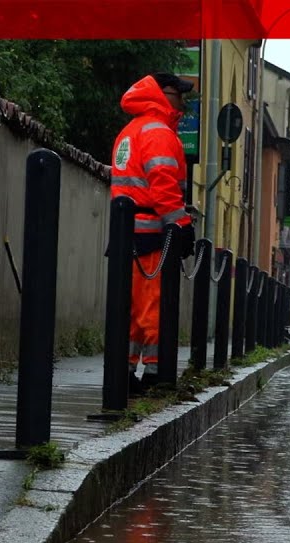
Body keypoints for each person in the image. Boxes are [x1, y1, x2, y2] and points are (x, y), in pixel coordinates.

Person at [108, 72, 196, 394]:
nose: (183, 101)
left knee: (130, 308)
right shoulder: (159, 132)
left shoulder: (130, 131)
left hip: (127, 234)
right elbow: (162, 185)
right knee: (153, 307)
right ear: (162, 95)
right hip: (152, 235)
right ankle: (157, 374)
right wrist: (181, 225)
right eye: (178, 93)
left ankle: (125, 371)